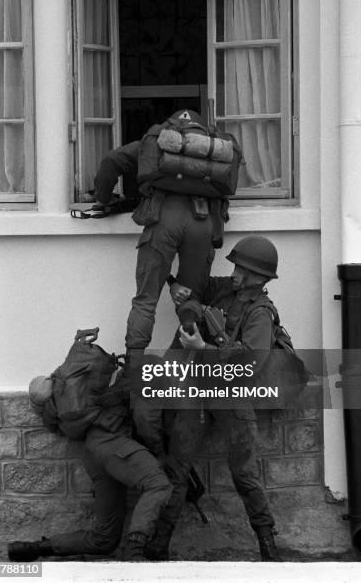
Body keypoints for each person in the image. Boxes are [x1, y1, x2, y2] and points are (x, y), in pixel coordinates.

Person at [144, 235, 282, 562]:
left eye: (242, 269)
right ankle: (158, 546)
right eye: (235, 266)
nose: (234, 272)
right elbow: (197, 288)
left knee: (244, 475)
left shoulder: (261, 312)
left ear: (258, 277)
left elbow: (251, 361)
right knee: (177, 469)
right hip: (200, 390)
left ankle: (269, 548)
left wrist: (202, 349)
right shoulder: (224, 288)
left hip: (233, 397)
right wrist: (174, 281)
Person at [94, 109, 241, 387]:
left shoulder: (158, 141)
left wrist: (103, 198)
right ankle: (187, 372)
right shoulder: (212, 149)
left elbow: (111, 162)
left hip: (165, 219)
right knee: (189, 297)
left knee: (145, 300)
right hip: (203, 224)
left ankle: (134, 375)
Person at [7, 374, 172, 562]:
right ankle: (134, 551)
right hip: (113, 446)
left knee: (104, 539)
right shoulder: (144, 375)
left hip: (94, 452)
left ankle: (35, 548)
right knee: (158, 484)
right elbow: (146, 420)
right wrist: (157, 450)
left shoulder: (90, 393)